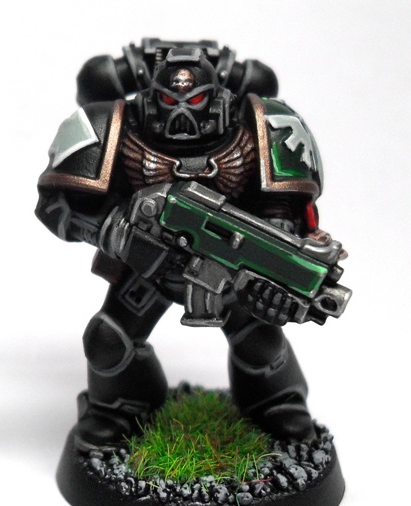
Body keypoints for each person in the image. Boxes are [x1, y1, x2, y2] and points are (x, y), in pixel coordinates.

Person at [37, 48, 333, 451]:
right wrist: (116, 233)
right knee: (108, 341)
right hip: (148, 268)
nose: (181, 115)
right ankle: (120, 408)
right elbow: (56, 205)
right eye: (168, 100)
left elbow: (287, 206)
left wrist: (277, 256)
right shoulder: (110, 124)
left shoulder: (266, 126)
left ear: (217, 99)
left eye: (195, 101)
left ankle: (277, 402)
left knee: (260, 345)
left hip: (230, 267)